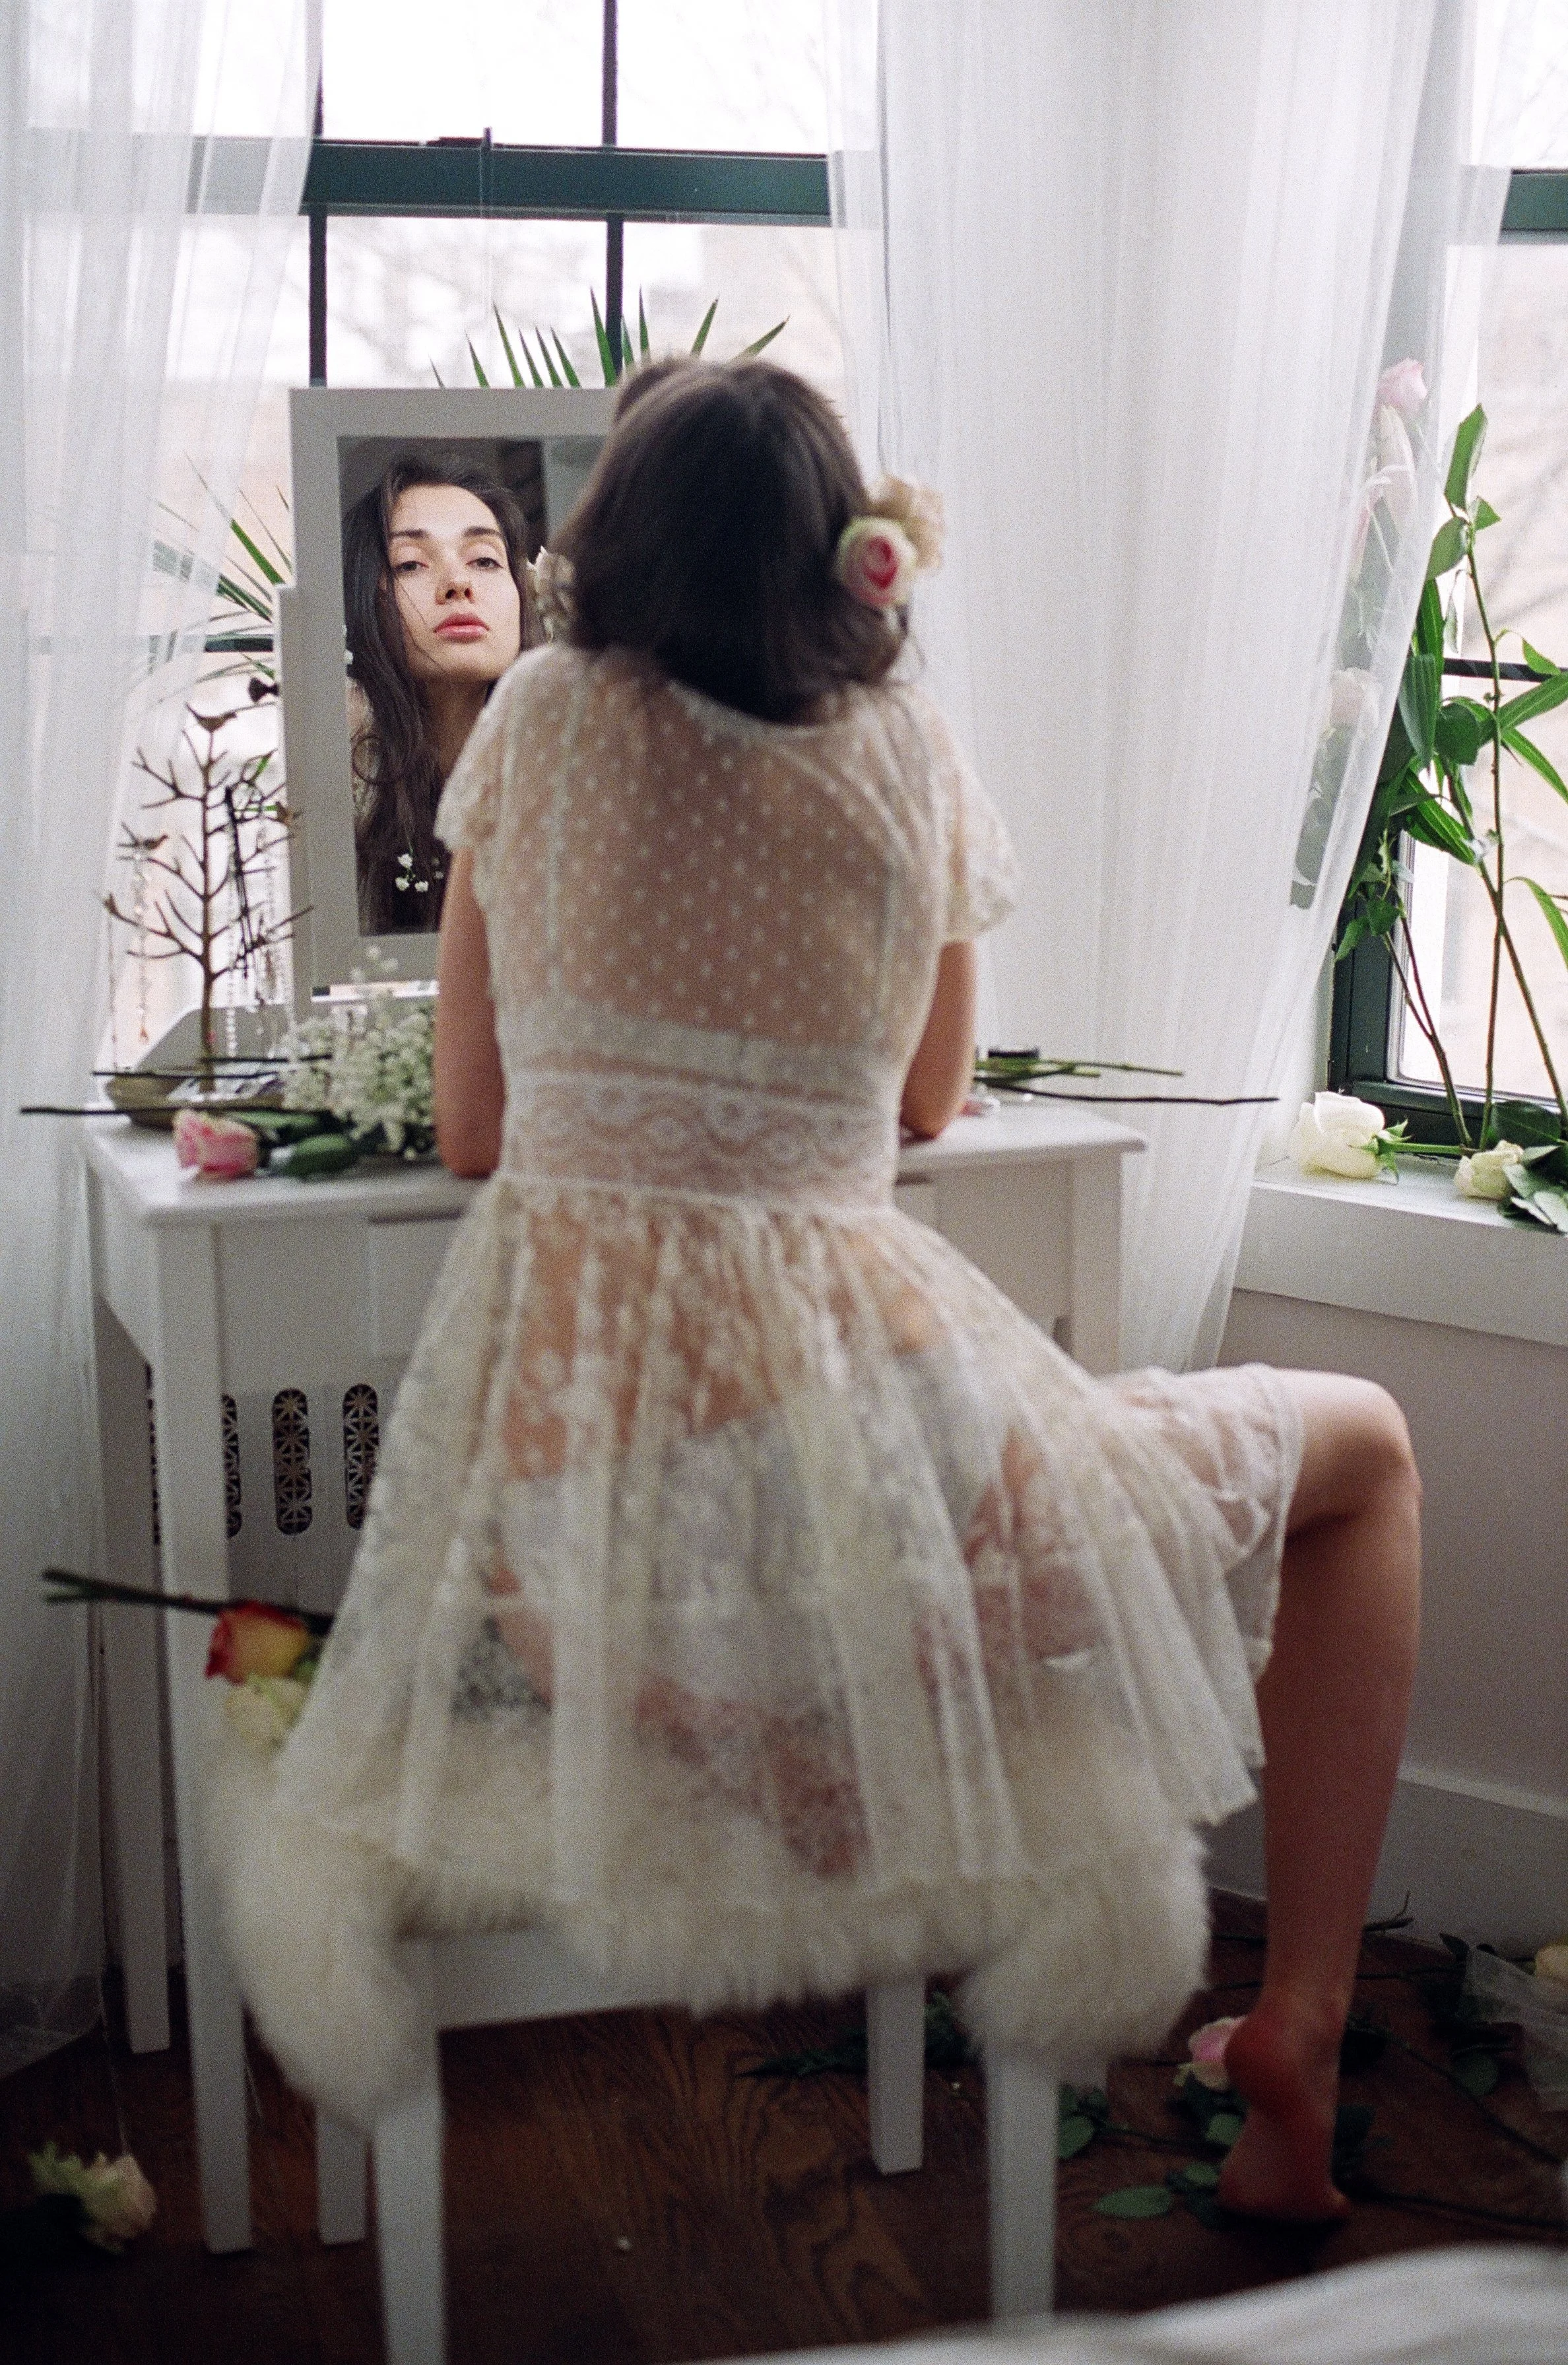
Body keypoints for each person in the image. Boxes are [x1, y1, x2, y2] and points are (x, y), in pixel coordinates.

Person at [230, 359, 1420, 2228]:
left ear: (611, 543)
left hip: (593, 1572)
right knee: (1368, 1450)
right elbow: (931, 1101)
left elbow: (471, 1126)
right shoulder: (907, 754)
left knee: (596, 1561)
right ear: (844, 554)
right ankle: (1305, 2024)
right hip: (895, 1524)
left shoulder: (537, 719)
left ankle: (743, 1728)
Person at [342, 453, 540, 933]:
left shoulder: (570, 768)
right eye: (410, 564)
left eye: (485, 560)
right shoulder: (343, 774)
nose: (458, 583)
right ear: (366, 600)